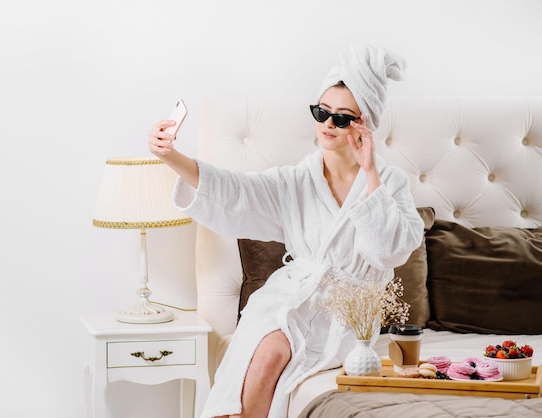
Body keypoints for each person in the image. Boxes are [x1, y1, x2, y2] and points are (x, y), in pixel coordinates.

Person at [147, 43, 425, 418]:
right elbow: (235, 192)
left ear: (365, 125)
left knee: (282, 359)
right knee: (268, 353)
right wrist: (171, 157)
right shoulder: (296, 181)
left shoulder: (390, 184)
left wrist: (371, 172)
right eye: (321, 112)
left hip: (346, 315)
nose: (328, 123)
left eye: (342, 118)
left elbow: (386, 252)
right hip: (287, 298)